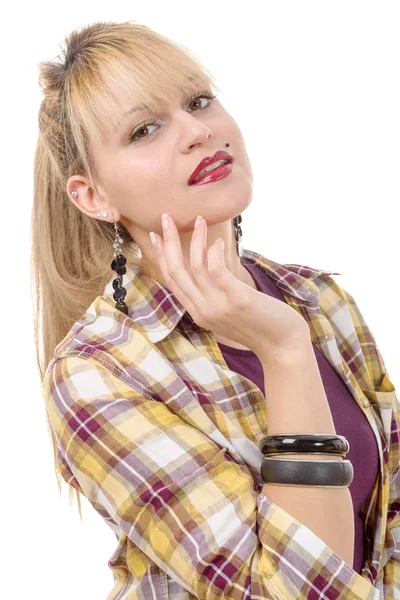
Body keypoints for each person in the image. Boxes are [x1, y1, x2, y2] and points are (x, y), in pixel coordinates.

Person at [32, 20, 399, 599]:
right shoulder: (95, 373)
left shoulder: (317, 300)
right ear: (93, 197)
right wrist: (282, 351)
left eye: (199, 101)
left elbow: (389, 529)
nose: (197, 132)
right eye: (145, 129)